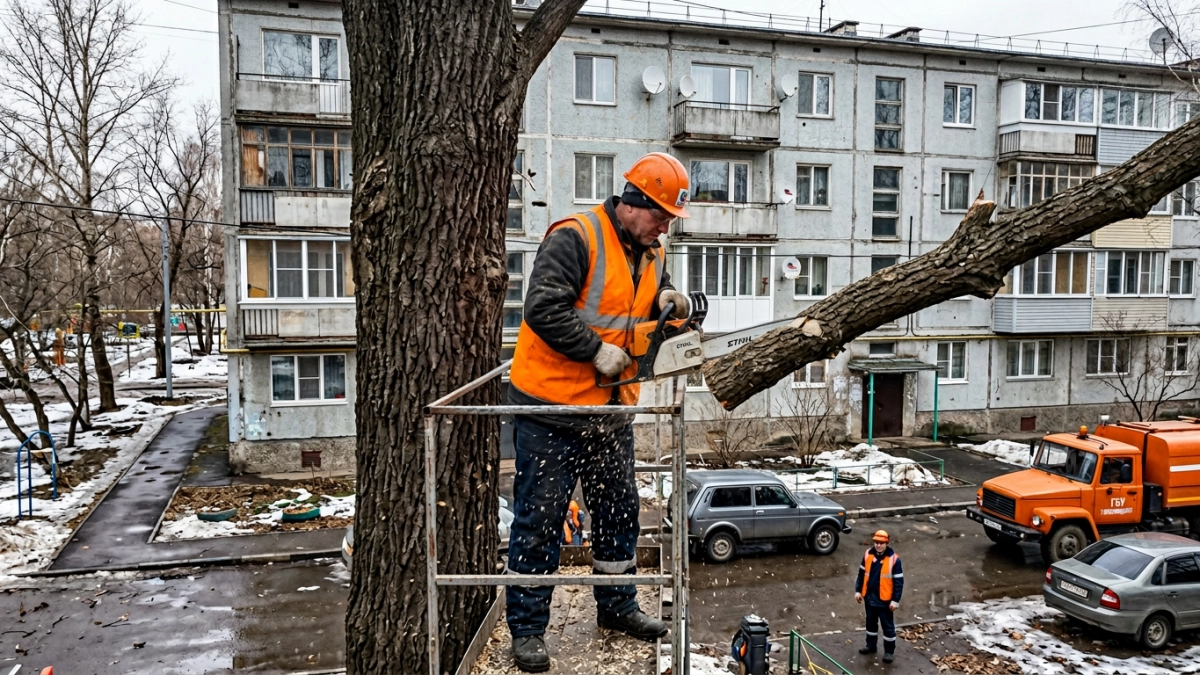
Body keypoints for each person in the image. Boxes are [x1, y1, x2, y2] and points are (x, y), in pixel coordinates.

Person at [504, 152, 692, 673]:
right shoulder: (576, 237)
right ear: (633, 202)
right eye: (659, 215)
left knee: (618, 512)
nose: (663, 227)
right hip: (552, 407)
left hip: (610, 410)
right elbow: (541, 309)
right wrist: (594, 350)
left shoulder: (650, 250)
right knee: (540, 521)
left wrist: (671, 303)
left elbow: (650, 301)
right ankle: (526, 628)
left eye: (669, 220)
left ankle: (617, 605)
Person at [855, 529, 905, 663]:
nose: (878, 545)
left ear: (886, 543)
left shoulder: (894, 560)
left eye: (881, 543)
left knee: (888, 627)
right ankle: (870, 646)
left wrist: (895, 600)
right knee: (870, 624)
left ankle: (889, 652)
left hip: (885, 600)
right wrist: (858, 591)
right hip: (869, 598)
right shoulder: (868, 555)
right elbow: (861, 574)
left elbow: (898, 582)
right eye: (876, 542)